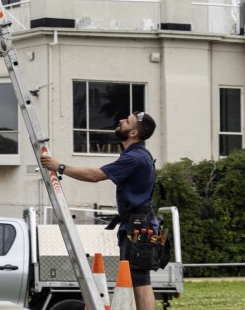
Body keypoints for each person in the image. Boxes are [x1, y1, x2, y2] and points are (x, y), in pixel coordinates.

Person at [40, 111, 158, 310]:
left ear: (133, 133)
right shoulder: (137, 155)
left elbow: (95, 175)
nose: (121, 120)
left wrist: (59, 166)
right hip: (137, 223)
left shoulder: (135, 158)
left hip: (138, 224)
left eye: (127, 121)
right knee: (139, 278)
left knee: (139, 280)